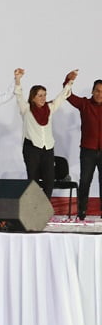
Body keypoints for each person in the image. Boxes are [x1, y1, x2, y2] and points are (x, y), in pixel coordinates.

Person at [15, 68, 75, 198]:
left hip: (47, 148)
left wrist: (70, 82)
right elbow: (19, 95)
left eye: (45, 95)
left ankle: (45, 206)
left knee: (49, 179)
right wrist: (18, 79)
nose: (43, 98)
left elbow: (62, 97)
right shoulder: (26, 109)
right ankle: (33, 207)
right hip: (31, 148)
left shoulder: (49, 108)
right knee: (33, 180)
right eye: (40, 95)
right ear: (33, 97)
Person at [63, 72, 102, 220]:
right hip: (88, 151)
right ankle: (82, 211)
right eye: (97, 91)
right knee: (85, 181)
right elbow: (68, 95)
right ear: (92, 91)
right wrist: (69, 80)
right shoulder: (84, 104)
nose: (99, 94)